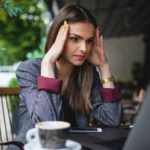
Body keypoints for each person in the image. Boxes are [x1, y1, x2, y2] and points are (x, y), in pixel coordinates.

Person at [8, 4, 122, 149]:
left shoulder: (87, 74)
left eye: (89, 41)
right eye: (75, 39)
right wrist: (48, 63)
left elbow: (113, 119)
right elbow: (47, 124)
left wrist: (104, 67)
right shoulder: (29, 70)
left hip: (73, 146)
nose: (84, 48)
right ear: (57, 38)